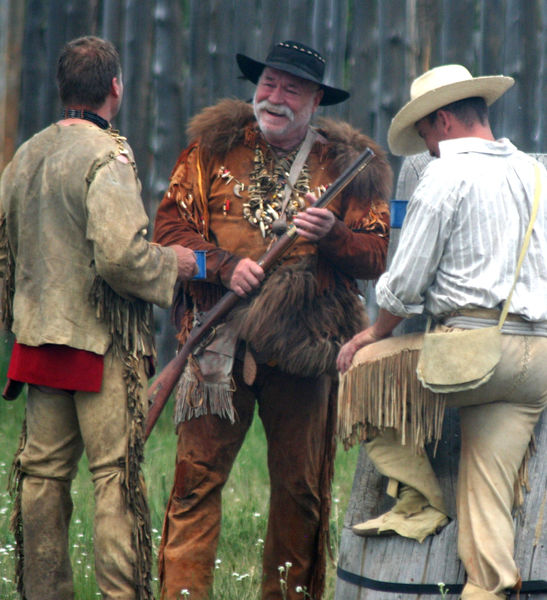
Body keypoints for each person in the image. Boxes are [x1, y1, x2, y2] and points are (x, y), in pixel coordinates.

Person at [152, 40, 392, 600]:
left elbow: (376, 256)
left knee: (301, 493)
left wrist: (331, 235)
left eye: (291, 88)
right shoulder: (208, 150)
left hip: (307, 348)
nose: (274, 97)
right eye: (268, 83)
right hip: (216, 343)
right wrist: (225, 265)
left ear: (314, 101)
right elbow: (168, 233)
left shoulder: (346, 162)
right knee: (193, 487)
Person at [336, 64, 547, 600]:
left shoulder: (445, 175)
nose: (427, 148)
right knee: (487, 499)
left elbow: (403, 286)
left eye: (427, 135)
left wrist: (373, 335)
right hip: (537, 362)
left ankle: (421, 499)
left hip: (474, 357)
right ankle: (488, 587)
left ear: (445, 122)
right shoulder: (535, 172)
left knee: (360, 372)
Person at [0, 36, 197, 600]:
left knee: (41, 479)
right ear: (115, 87)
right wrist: (173, 262)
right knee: (114, 479)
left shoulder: (25, 156)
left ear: (64, 88)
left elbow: (3, 251)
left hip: (37, 343)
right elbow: (121, 257)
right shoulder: (107, 155)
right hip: (100, 345)